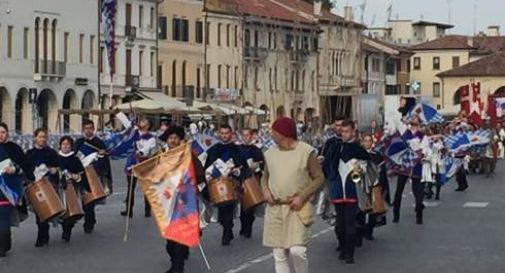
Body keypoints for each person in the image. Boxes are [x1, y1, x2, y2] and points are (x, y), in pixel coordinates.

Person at [262, 117, 324, 273]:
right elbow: (265, 176)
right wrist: (265, 190)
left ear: (284, 133)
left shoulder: (306, 151)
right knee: (279, 252)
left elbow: (319, 178)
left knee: (297, 250)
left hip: (297, 207)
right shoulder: (269, 154)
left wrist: (302, 197)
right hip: (275, 207)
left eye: (274, 131)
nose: (271, 134)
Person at [159, 126, 205, 273]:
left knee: (180, 235)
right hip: (167, 203)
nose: (173, 140)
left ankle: (177, 268)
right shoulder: (160, 156)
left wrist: (188, 181)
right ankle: (176, 259)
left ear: (180, 140)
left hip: (185, 202)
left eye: (175, 138)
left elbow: (200, 175)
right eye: (170, 138)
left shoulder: (189, 156)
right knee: (170, 241)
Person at [323, 120, 370, 264]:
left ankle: (350, 254)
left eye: (347, 131)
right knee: (340, 224)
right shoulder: (334, 147)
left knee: (350, 222)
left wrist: (360, 167)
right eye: (342, 131)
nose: (344, 134)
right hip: (337, 189)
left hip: (351, 190)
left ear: (353, 131)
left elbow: (367, 167)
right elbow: (327, 166)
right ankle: (342, 248)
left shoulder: (358, 149)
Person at [204, 125, 251, 246]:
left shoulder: (237, 149)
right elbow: (207, 166)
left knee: (229, 208)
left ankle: (227, 231)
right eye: (222, 133)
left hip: (232, 182)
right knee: (222, 208)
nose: (224, 135)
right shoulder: (214, 149)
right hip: (218, 184)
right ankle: (227, 228)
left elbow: (243, 166)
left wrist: (237, 171)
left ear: (230, 134)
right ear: (219, 134)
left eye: (226, 133)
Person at [0, 123, 34, 257]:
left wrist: (14, 169)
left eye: (3, 132)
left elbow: (25, 167)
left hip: (7, 190)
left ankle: (3, 245)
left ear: (7, 133)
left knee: (3, 219)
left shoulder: (14, 149)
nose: (0, 135)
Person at [75, 119, 112, 233]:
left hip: (93, 175)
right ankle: (89, 218)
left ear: (93, 129)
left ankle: (89, 223)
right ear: (83, 129)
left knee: (90, 201)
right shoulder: (79, 142)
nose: (88, 131)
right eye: (86, 128)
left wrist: (98, 162)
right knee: (82, 200)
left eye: (90, 128)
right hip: (81, 175)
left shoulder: (99, 143)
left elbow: (105, 160)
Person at [26, 128, 60, 247]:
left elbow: (58, 167)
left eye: (44, 137)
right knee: (38, 211)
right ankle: (43, 233)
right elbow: (26, 169)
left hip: (48, 185)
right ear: (35, 138)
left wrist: (54, 170)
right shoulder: (30, 153)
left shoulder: (51, 153)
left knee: (48, 209)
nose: (42, 139)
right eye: (40, 137)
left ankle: (43, 235)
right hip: (35, 186)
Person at [393, 115, 426, 225]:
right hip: (405, 163)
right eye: (412, 118)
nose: (413, 119)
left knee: (418, 191)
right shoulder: (405, 132)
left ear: (419, 122)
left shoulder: (422, 136)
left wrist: (420, 150)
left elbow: (425, 149)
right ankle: (396, 214)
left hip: (416, 164)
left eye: (415, 118)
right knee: (399, 190)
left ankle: (419, 215)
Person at [57, 136, 91, 242]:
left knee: (72, 211)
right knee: (62, 211)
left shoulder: (75, 159)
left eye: (68, 144)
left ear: (71, 146)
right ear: (60, 145)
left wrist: (77, 177)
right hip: (60, 189)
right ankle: (64, 227)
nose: (65, 146)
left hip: (73, 188)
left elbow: (82, 173)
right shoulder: (55, 157)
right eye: (63, 144)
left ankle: (67, 231)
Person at [121, 118, 157, 218]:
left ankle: (147, 209)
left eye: (144, 121)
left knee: (146, 187)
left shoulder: (151, 138)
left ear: (148, 125)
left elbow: (148, 148)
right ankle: (129, 210)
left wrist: (140, 152)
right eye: (141, 120)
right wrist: (118, 112)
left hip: (144, 163)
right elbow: (127, 123)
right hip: (132, 161)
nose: (141, 122)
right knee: (130, 186)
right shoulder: (134, 132)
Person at [238, 128, 265, 238]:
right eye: (243, 135)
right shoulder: (238, 149)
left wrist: (256, 166)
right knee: (242, 207)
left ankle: (248, 228)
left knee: (250, 206)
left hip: (252, 180)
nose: (245, 137)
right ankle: (244, 226)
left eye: (247, 135)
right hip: (240, 180)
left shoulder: (256, 150)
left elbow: (262, 164)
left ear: (251, 136)